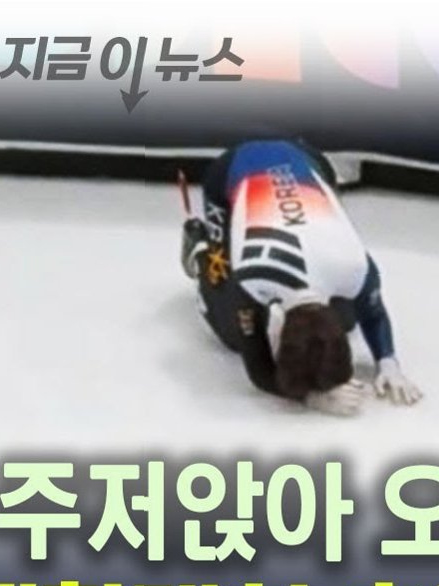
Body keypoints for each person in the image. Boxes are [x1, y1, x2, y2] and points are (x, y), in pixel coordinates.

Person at [180, 138, 422, 414]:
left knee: (349, 319)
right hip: (232, 170)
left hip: (307, 163)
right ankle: (198, 245)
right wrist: (310, 398)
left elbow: (373, 312)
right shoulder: (251, 277)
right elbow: (257, 365)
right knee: (230, 331)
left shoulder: (353, 266)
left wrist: (388, 363)